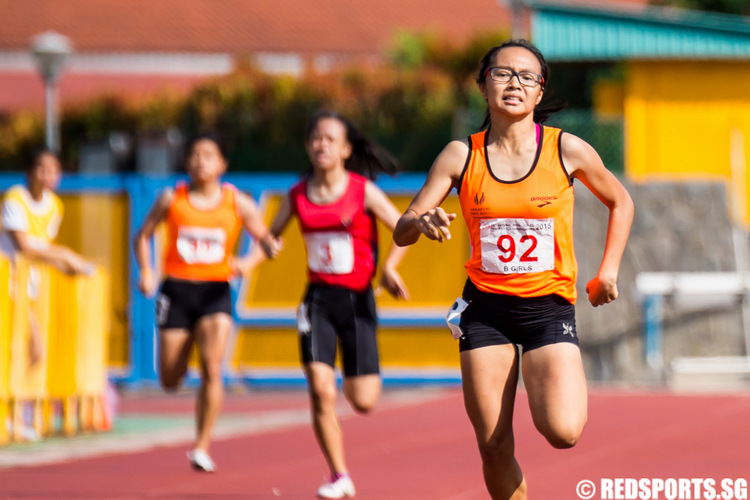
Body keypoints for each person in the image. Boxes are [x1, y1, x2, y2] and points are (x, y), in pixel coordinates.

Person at [393, 39, 634, 500]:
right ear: (483, 85)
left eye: (526, 76)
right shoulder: (460, 156)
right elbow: (402, 228)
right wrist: (419, 221)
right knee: (494, 443)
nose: (514, 83)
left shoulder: (567, 149)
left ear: (540, 92)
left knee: (564, 431)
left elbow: (620, 200)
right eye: (502, 73)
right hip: (485, 311)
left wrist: (608, 271)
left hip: (548, 309)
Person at [260, 110, 409, 499]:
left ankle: (353, 374)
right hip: (317, 303)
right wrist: (267, 245)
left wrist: (389, 268)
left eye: (329, 139)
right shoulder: (296, 194)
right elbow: (270, 236)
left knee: (363, 400)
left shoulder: (363, 191)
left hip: (357, 301)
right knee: (320, 389)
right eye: (314, 138)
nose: (320, 144)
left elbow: (404, 230)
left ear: (345, 148)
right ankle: (338, 475)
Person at [132, 132, 280, 472]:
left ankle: (202, 445)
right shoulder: (172, 198)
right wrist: (146, 271)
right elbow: (143, 235)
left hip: (216, 291)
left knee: (213, 368)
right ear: (186, 162)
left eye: (209, 155)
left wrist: (249, 262)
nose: (201, 161)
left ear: (222, 164)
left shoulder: (237, 202)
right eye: (195, 155)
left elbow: (265, 239)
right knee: (169, 378)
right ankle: (181, 362)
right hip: (176, 291)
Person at [0, 148, 93, 366]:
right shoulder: (15, 199)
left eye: (54, 171)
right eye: (41, 170)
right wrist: (65, 255)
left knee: (27, 349)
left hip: (31, 284)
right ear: (29, 172)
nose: (48, 176)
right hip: (9, 283)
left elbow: (42, 250)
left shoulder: (54, 206)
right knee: (34, 347)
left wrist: (63, 267)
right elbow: (24, 248)